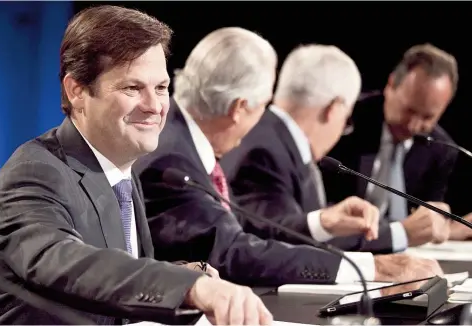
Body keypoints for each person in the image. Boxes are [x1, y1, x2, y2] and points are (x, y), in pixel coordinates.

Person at [0, 6, 272, 326]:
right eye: (132, 88)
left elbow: (113, 280)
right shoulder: (33, 173)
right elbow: (66, 262)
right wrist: (191, 288)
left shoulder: (121, 170)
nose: (155, 106)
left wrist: (184, 274)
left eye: (161, 88)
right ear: (77, 91)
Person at [134, 28, 443, 289]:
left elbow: (242, 230)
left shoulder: (183, 142)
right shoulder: (171, 163)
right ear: (239, 108)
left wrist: (323, 222)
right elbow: (232, 253)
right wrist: (373, 269)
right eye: (263, 104)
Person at [222, 44, 391, 252]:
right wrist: (399, 234)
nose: (341, 131)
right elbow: (279, 239)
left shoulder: (276, 139)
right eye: (346, 120)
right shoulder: (264, 152)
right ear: (333, 109)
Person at [322, 44, 457, 248]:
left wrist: (446, 226)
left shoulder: (442, 149)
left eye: (428, 117)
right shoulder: (345, 121)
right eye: (409, 110)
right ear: (391, 85)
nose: (414, 125)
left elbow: (429, 221)